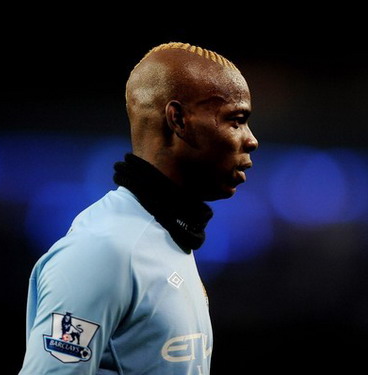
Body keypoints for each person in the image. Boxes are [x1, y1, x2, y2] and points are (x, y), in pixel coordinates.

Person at [18, 41, 258, 375]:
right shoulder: (103, 252)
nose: (251, 139)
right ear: (178, 120)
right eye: (235, 120)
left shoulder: (167, 237)